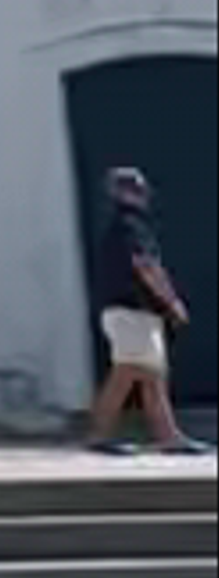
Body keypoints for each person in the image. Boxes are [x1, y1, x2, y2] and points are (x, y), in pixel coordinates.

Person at [86, 167, 199, 457]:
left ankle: (168, 436)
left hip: (133, 313)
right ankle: (98, 435)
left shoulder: (122, 227)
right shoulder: (130, 226)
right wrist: (171, 301)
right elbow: (146, 266)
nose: (141, 194)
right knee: (127, 372)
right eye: (134, 189)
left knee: (152, 375)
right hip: (131, 311)